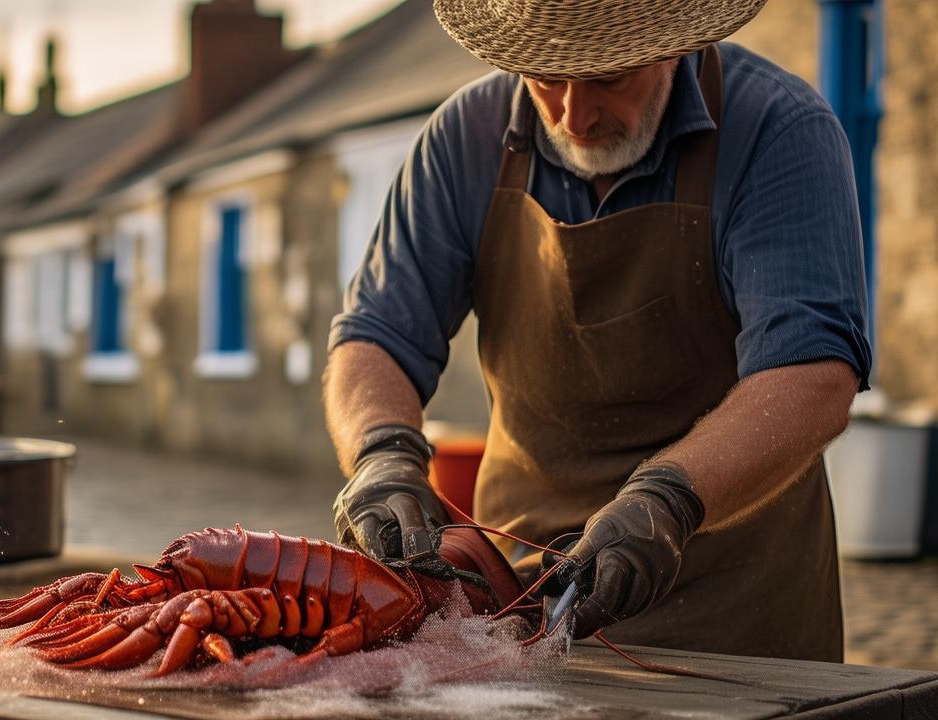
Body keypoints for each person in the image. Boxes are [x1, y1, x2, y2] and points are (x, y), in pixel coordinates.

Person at [327, 0, 870, 662]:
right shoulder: (463, 139)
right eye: (546, 77)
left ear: (675, 44)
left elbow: (812, 376)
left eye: (609, 77)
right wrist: (381, 453)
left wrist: (665, 504)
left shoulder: (778, 132)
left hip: (732, 611)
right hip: (516, 608)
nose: (572, 117)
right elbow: (376, 333)